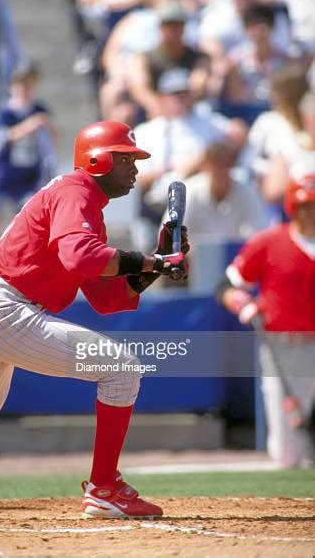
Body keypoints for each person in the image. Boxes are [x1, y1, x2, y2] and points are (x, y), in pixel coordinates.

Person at [0, 120, 189, 519]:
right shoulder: (76, 192)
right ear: (98, 160)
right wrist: (152, 259)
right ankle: (104, 487)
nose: (135, 169)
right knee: (122, 369)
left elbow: (107, 298)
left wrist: (156, 266)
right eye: (126, 159)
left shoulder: (83, 202)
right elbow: (81, 257)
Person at [217, 173, 315, 468]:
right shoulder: (270, 241)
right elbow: (226, 286)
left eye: (313, 205)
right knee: (286, 453)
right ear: (291, 207)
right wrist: (241, 302)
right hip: (280, 345)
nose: (309, 212)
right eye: (303, 206)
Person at [133, 68, 246, 249]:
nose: (181, 99)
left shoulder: (209, 121)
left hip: (205, 195)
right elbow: (137, 180)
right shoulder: (146, 131)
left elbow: (237, 133)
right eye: (175, 94)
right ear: (162, 98)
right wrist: (172, 170)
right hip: (161, 198)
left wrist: (203, 161)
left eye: (185, 93)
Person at [0, 60, 58, 252]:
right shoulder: (5, 113)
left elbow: (53, 141)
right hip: (4, 174)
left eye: (30, 83)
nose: (25, 88)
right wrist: (28, 127)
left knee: (26, 218)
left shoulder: (40, 110)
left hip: (29, 175)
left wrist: (47, 128)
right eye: (22, 83)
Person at [171, 141, 269, 244]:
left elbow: (260, 235)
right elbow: (170, 237)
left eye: (226, 164)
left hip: (236, 258)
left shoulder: (247, 192)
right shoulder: (187, 193)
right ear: (205, 167)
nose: (221, 171)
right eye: (215, 165)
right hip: (192, 258)